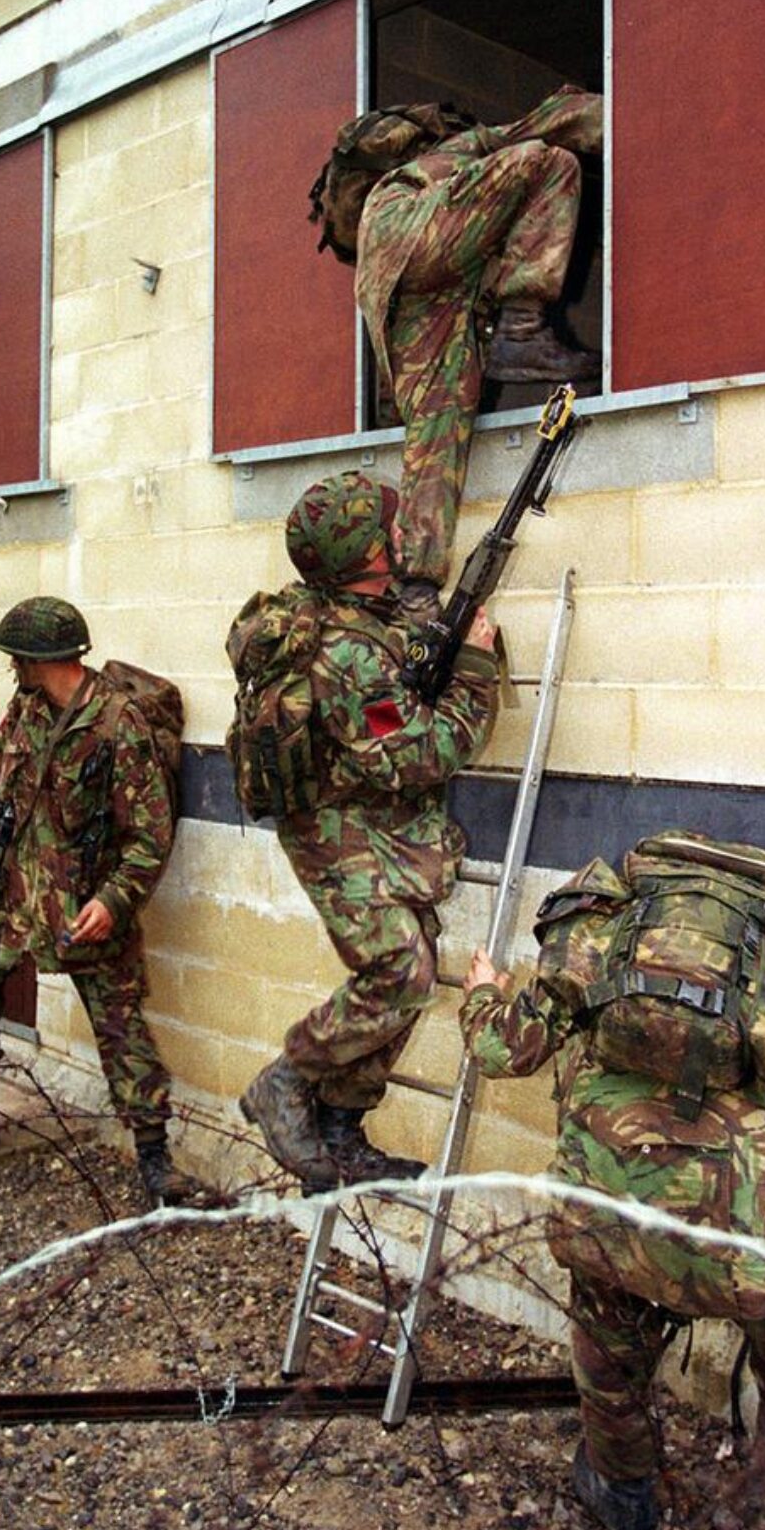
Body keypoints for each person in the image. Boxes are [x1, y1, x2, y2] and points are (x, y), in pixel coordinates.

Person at [459, 836, 765, 1530]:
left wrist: (483, 995)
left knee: (608, 1348)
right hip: (732, 1225)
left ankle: (623, 1495)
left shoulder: (600, 928)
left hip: (604, 1201)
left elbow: (501, 1050)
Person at [237, 472, 499, 1193]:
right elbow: (422, 754)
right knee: (401, 972)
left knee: (416, 958)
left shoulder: (351, 613)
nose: (399, 533)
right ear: (364, 552)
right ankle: (286, 1081)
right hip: (334, 825)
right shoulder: (347, 655)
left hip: (365, 818)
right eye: (385, 528)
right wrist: (475, 668)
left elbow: (394, 656)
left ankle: (345, 1128)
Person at [0, 597, 193, 1207]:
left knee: (122, 1029)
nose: (13, 666)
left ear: (43, 659)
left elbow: (151, 835)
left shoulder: (119, 724)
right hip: (14, 893)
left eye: (19, 657)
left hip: (83, 906)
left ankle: (155, 1158)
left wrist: (116, 902)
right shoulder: (25, 709)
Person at [310, 85, 603, 611]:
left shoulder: (458, 204)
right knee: (551, 161)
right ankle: (520, 328)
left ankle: (417, 588)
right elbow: (542, 128)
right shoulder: (460, 150)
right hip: (409, 230)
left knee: (435, 431)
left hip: (400, 282)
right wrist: (620, 116)